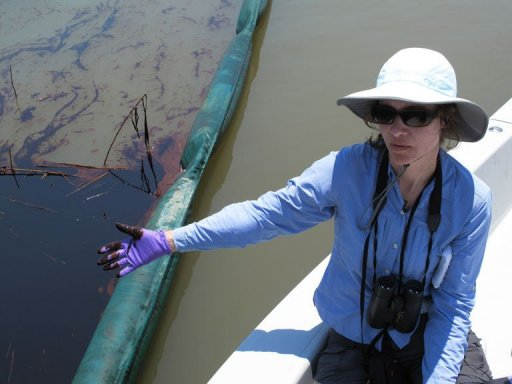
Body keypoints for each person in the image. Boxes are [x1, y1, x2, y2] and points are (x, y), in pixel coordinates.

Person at [97, 48, 494, 383]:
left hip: (426, 333)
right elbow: (264, 216)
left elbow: (453, 306)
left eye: (417, 115)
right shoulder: (344, 171)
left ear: (445, 120)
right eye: (385, 113)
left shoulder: (471, 202)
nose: (398, 130)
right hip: (352, 336)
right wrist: (168, 240)